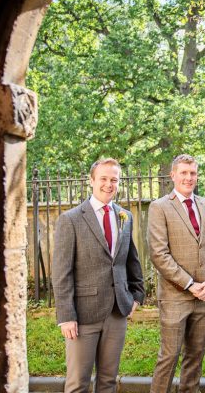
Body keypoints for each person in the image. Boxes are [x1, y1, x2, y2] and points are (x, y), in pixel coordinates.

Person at [52, 158, 145, 393]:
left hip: (117, 311)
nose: (109, 184)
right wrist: (66, 316)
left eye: (114, 180)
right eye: (103, 178)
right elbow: (61, 272)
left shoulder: (125, 216)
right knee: (78, 384)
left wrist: (136, 295)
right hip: (83, 315)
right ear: (91, 181)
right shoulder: (71, 219)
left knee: (108, 381)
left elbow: (131, 260)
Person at [148, 154, 205, 393]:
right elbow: (159, 254)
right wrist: (190, 284)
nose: (188, 178)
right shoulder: (160, 207)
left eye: (192, 173)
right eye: (183, 173)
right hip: (175, 296)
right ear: (173, 175)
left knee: (195, 355)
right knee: (169, 356)